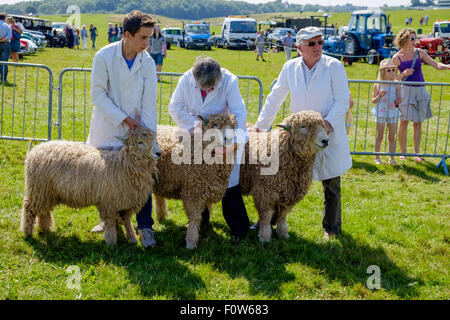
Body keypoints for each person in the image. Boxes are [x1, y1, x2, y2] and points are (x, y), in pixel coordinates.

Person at [249, 27, 351, 240]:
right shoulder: (290, 67)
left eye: (320, 42)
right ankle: (268, 220)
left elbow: (343, 99)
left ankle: (331, 228)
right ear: (299, 47)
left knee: (331, 183)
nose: (318, 47)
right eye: (312, 44)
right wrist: (260, 126)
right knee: (280, 180)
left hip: (326, 134)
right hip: (299, 139)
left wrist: (328, 124)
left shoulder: (334, 66)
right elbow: (276, 96)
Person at [87, 10, 159, 249]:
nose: (148, 44)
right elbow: (98, 95)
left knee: (141, 177)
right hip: (107, 127)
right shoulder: (104, 56)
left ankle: (145, 226)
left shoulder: (147, 63)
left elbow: (149, 103)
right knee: (106, 179)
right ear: (127, 35)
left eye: (150, 38)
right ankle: (109, 220)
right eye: (143, 38)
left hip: (136, 134)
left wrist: (149, 138)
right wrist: (125, 119)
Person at [168, 56, 250, 240]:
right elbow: (174, 107)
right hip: (196, 134)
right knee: (198, 178)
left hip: (223, 134)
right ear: (195, 79)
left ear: (218, 78)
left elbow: (239, 112)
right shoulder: (186, 79)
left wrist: (233, 143)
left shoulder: (229, 81)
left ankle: (239, 229)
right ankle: (202, 221)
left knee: (228, 180)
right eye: (202, 88)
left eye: (211, 87)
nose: (207, 91)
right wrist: (196, 123)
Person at [392, 28, 450, 162]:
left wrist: (448, 67)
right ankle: (403, 153)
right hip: (405, 91)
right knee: (404, 122)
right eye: (412, 39)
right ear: (404, 40)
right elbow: (393, 79)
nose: (415, 41)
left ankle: (417, 154)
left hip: (420, 91)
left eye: (415, 38)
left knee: (418, 123)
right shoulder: (396, 58)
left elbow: (435, 65)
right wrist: (403, 74)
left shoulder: (420, 53)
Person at [371, 59, 402, 165]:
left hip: (392, 112)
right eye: (388, 70)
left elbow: (399, 98)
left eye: (393, 69)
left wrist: (398, 101)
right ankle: (377, 157)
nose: (392, 72)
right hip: (381, 112)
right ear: (382, 71)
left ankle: (391, 158)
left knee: (392, 136)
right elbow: (373, 100)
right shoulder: (378, 85)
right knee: (379, 135)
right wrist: (379, 96)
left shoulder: (397, 84)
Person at [0, 13, 11, 83]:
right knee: (4, 63)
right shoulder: (7, 26)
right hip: (5, 44)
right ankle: (3, 79)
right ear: (4, 19)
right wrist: (2, 40)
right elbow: (9, 36)